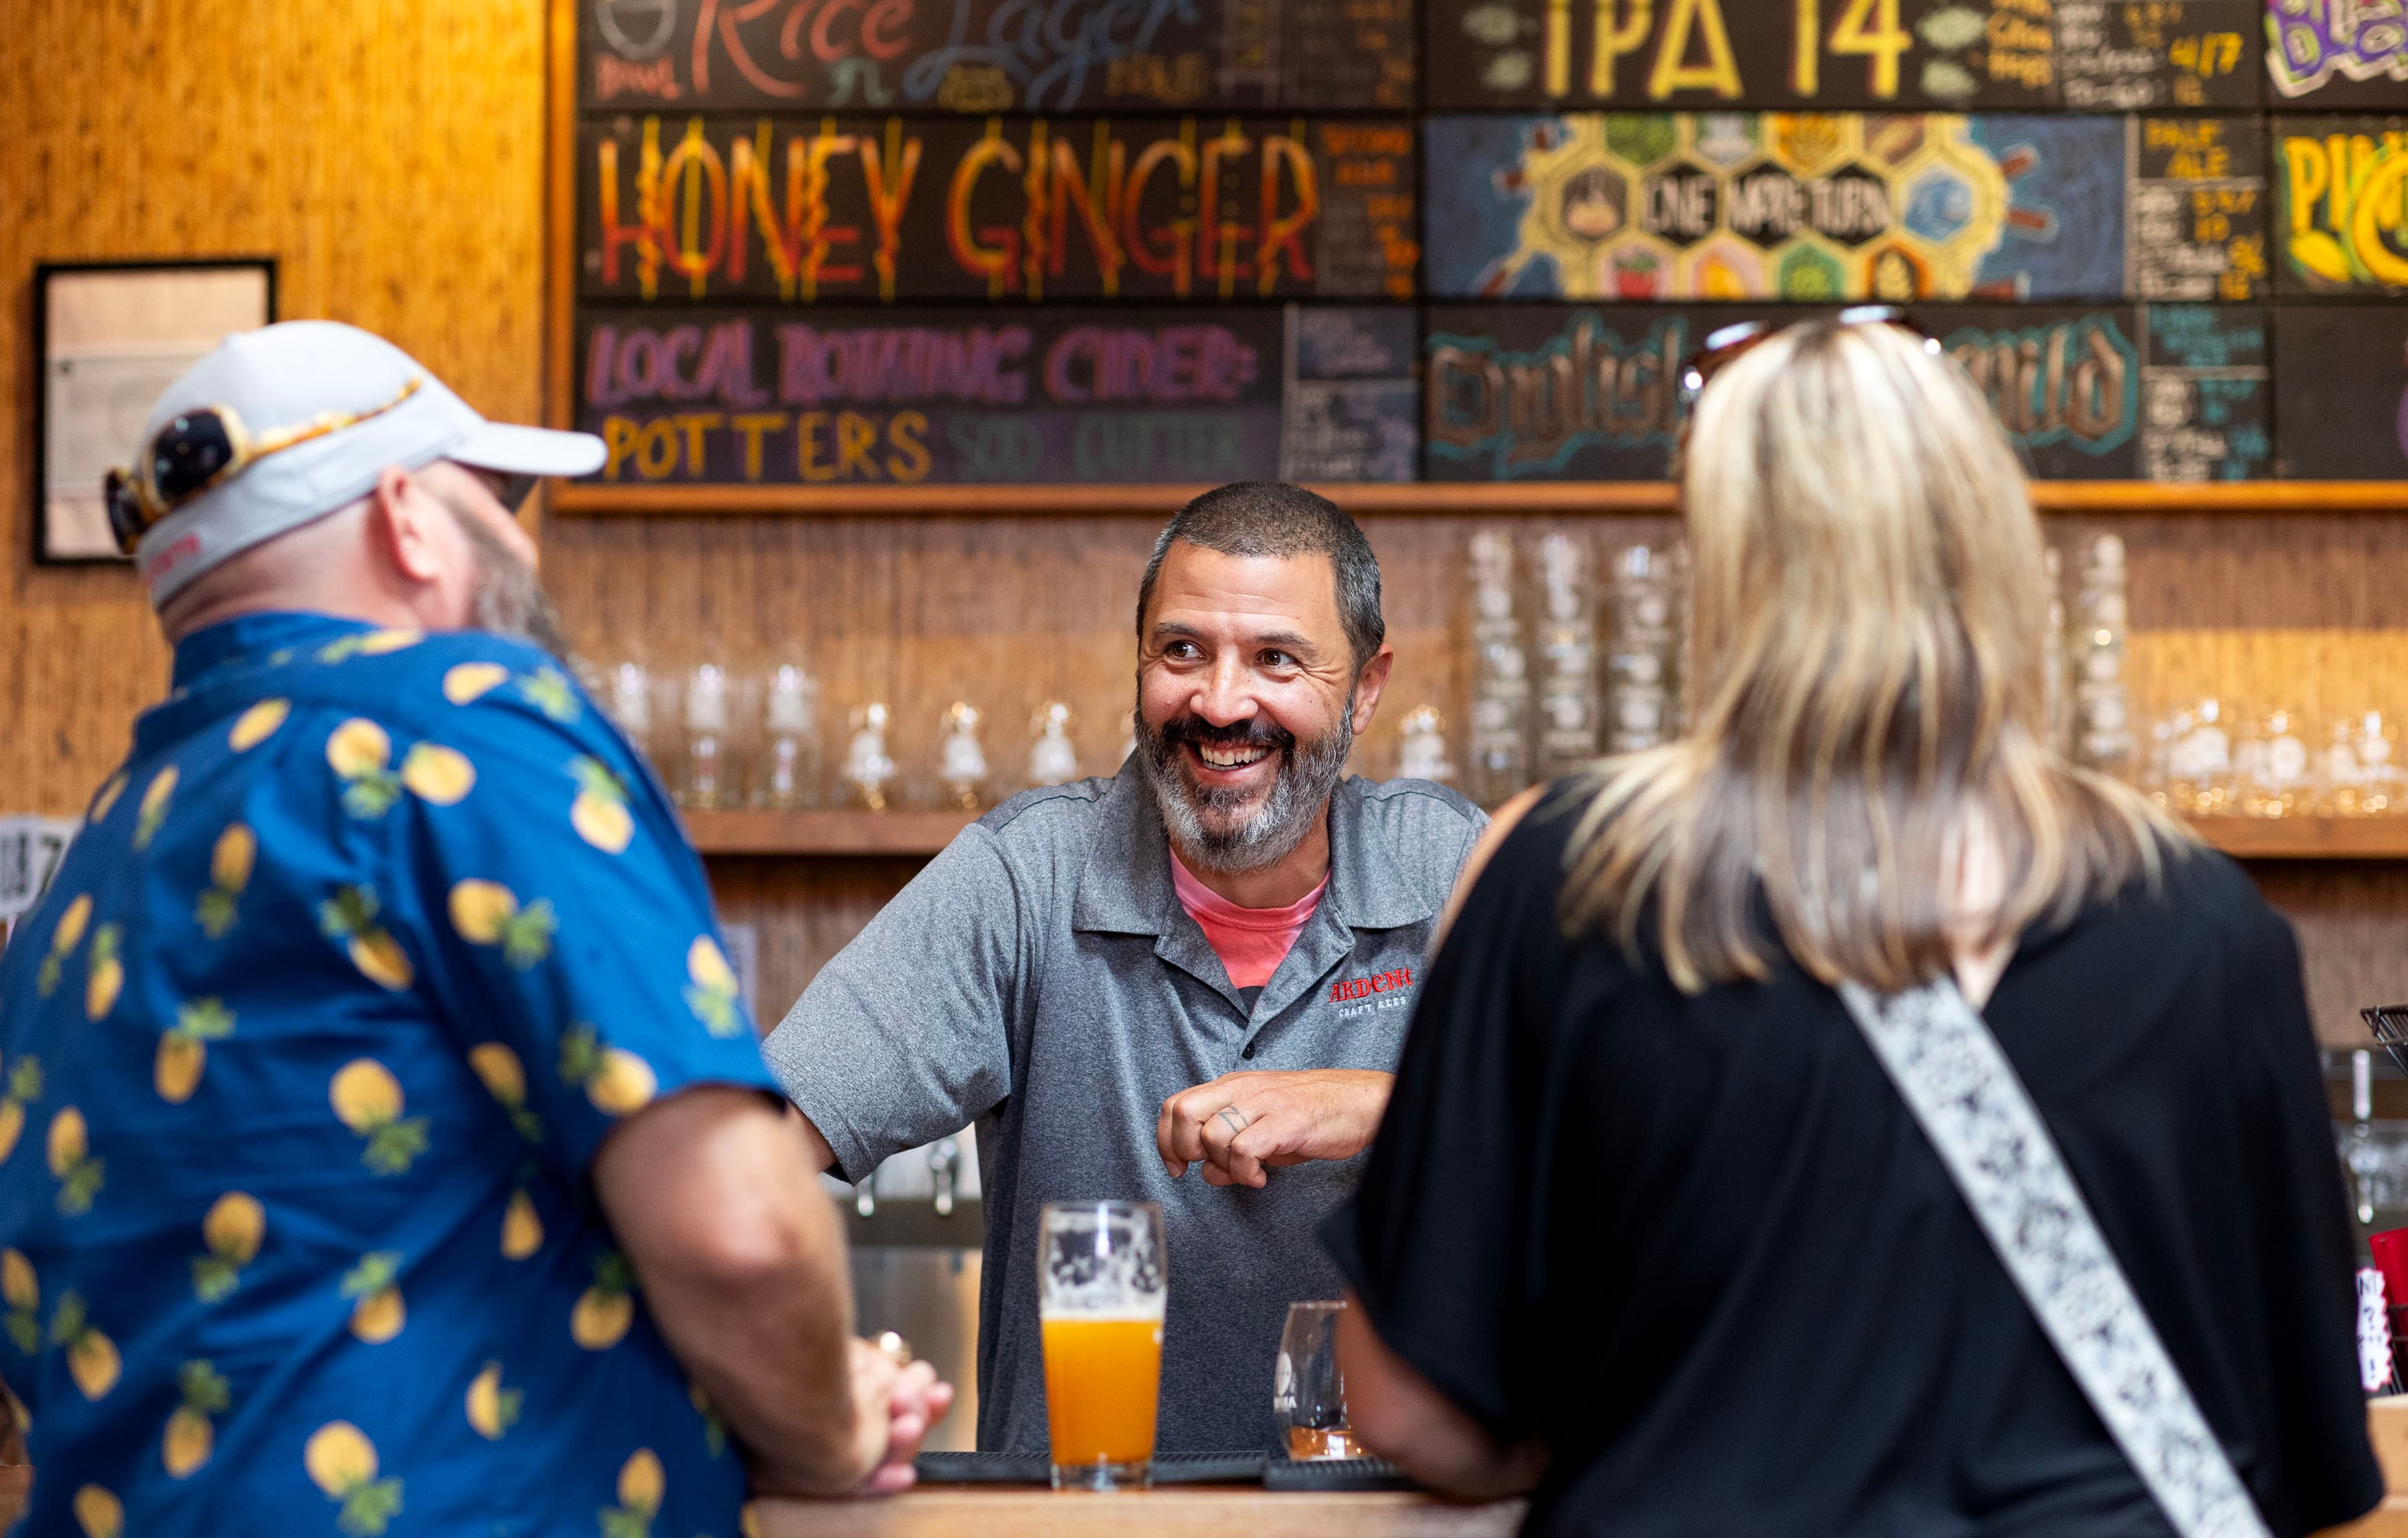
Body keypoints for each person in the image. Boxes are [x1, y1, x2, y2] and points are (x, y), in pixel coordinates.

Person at [1326, 316, 2384, 1536]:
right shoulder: (2204, 927)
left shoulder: (1572, 874)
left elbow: (1407, 1407)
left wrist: (1649, 1418)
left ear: (1716, 562)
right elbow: (2306, 1452)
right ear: (1998, 543)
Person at [0, 322, 946, 1537]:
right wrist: (835, 1430)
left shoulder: (98, 858)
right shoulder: (461, 729)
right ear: (404, 515)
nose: (520, 543)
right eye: (495, 500)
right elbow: (740, 1230)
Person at [764, 482, 1486, 1453]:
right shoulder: (1027, 877)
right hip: (1084, 1520)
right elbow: (753, 1143)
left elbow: (1633, 1138)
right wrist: (803, 1369)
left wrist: (1376, 1104)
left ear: (1364, 686)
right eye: (1182, 651)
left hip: (1391, 1523)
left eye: (1277, 660)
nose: (1221, 703)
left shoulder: (1458, 873)